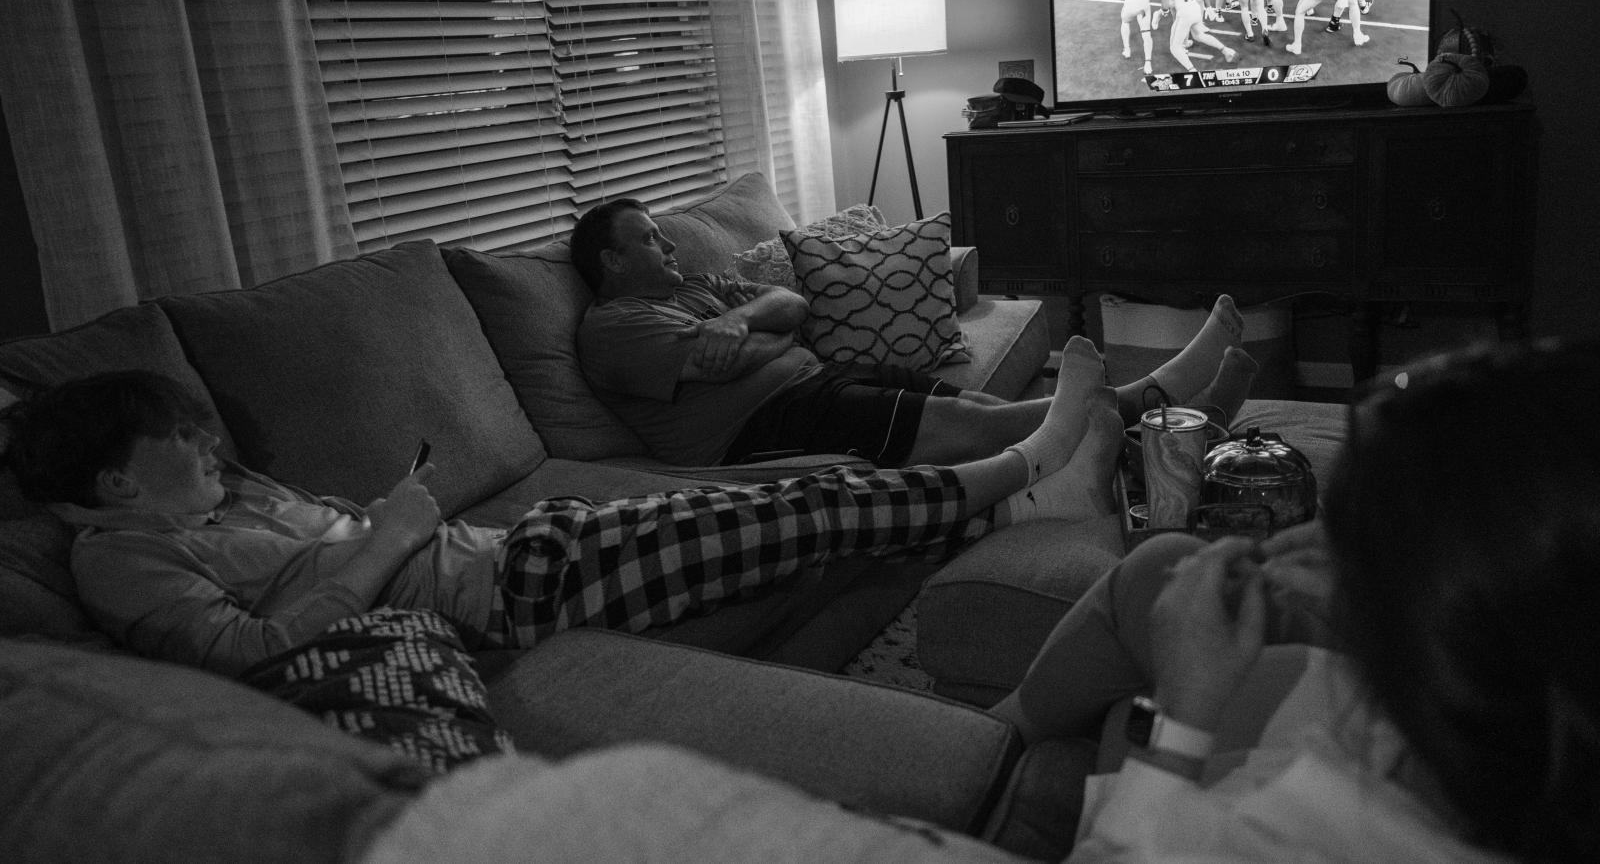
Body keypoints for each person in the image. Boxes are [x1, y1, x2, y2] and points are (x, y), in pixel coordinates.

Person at [0, 362, 1128, 677]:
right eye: (181, 445)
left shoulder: (206, 503)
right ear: (110, 483)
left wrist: (381, 519)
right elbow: (246, 653)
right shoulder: (123, 561)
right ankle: (1038, 461)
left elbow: (304, 542)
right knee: (814, 507)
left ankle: (1033, 490)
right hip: (517, 599)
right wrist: (392, 532)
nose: (209, 452)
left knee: (793, 498)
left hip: (525, 550)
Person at [986, 336, 1600, 863]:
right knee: (1163, 567)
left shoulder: (1286, 841)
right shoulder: (1520, 737)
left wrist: (1180, 714)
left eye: (1360, 540)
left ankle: (981, 759)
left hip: (1178, 795)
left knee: (1134, 656)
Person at [571, 197, 1258, 502]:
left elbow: (792, 307)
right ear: (611, 259)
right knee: (983, 428)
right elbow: (713, 362)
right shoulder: (615, 327)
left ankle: (1165, 441)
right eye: (649, 239)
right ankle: (1155, 400)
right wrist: (754, 337)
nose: (667, 246)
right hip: (759, 428)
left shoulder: (693, 289)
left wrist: (743, 322)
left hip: (820, 381)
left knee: (989, 407)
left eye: (664, 235)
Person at [1153, 0, 1239, 72]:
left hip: (1184, 14)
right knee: (1199, 35)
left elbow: (1165, 6)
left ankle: (1192, 71)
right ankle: (1227, 50)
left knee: (1174, 47)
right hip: (1195, 10)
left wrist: (1161, 12)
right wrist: (1209, 8)